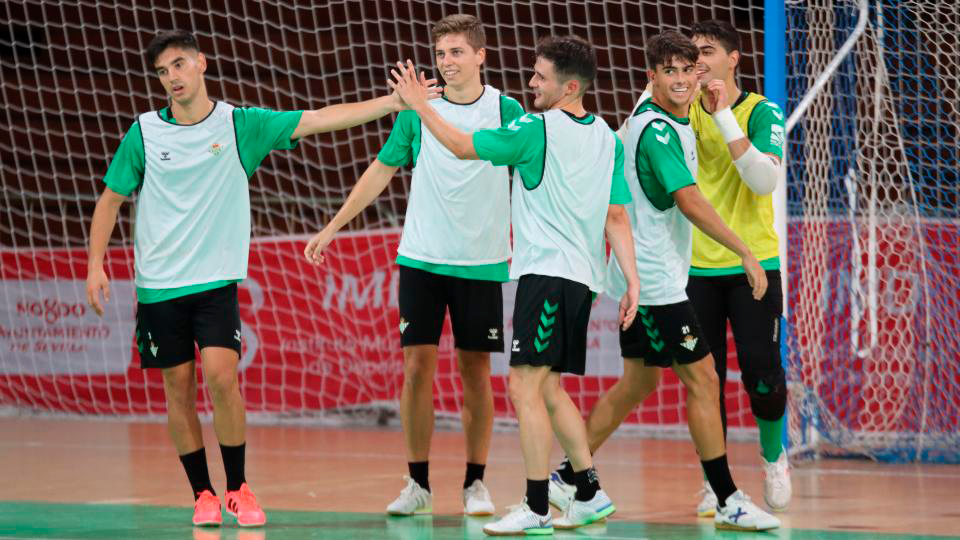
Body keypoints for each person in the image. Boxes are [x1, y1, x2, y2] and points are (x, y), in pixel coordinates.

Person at [85, 30, 437, 528]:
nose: (172, 78)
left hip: (214, 282)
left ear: (201, 64)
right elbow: (111, 199)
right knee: (178, 389)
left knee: (221, 378)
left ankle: (237, 488)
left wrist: (392, 102)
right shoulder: (144, 132)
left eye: (180, 65)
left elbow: (316, 119)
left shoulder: (239, 126)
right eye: (163, 72)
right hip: (158, 285)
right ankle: (201, 494)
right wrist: (95, 263)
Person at [389, 35, 642, 536]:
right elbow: (616, 215)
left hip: (546, 275)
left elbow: (462, 147)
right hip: (584, 280)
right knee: (548, 388)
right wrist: (630, 280)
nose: (530, 83)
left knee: (523, 384)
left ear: (569, 87)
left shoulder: (536, 128)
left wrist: (420, 106)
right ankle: (589, 491)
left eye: (540, 77)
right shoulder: (608, 137)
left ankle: (535, 505)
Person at [546, 31, 780, 531]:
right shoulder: (656, 132)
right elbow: (690, 200)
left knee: (639, 380)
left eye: (686, 70)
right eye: (667, 71)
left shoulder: (666, 120)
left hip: (647, 273)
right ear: (650, 77)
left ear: (698, 74)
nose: (678, 79)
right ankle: (726, 496)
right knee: (703, 379)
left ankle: (570, 477)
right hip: (655, 282)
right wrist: (744, 251)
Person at [304, 14, 523, 517]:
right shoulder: (415, 112)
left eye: (457, 53)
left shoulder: (506, 110)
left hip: (482, 263)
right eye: (440, 54)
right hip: (422, 259)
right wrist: (333, 225)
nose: (447, 63)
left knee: (476, 373)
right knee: (416, 368)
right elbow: (380, 170)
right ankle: (418, 482)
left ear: (480, 56)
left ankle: (476, 484)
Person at [686, 19, 791, 514]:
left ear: (733, 60)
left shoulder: (760, 111)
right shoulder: (679, 112)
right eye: (692, 52)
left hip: (756, 265)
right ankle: (716, 480)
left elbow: (764, 183)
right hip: (695, 269)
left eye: (707, 50)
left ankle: (773, 457)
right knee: (705, 380)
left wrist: (724, 116)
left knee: (762, 374)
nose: (698, 59)